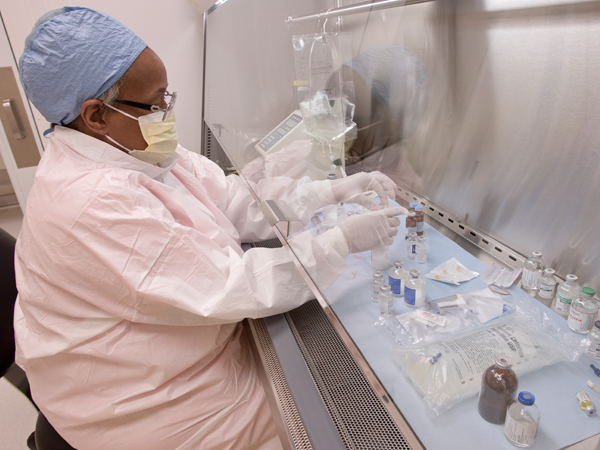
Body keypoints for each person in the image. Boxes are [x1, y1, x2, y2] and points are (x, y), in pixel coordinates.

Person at [13, 7, 405, 450]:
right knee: (329, 420)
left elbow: (235, 199)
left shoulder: (132, 147)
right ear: (95, 115)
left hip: (175, 353)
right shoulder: (90, 203)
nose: (166, 111)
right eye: (157, 101)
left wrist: (330, 194)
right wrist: (341, 241)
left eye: (168, 97)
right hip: (142, 403)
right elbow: (230, 286)